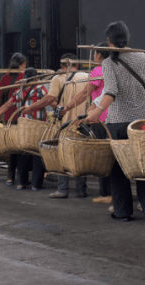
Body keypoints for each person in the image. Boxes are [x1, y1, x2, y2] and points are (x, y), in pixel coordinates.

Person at [77, 20, 145, 222]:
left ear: (109, 42)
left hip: (118, 120)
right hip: (142, 119)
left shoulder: (108, 63)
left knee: (117, 167)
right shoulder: (141, 56)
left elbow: (111, 91)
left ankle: (123, 211)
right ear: (127, 38)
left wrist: (97, 112)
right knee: (143, 164)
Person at [23, 53, 88, 198]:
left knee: (63, 155)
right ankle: (81, 189)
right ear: (76, 65)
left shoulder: (58, 78)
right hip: (83, 122)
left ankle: (63, 189)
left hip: (65, 123)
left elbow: (49, 98)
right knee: (80, 155)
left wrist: (31, 107)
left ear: (62, 66)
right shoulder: (86, 76)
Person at [60, 42, 113, 204]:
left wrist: (67, 107)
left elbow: (85, 94)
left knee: (103, 158)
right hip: (114, 117)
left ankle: (105, 194)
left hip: (100, 118)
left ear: (98, 55)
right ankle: (114, 193)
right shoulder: (114, 68)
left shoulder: (98, 70)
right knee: (113, 157)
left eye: (96, 54)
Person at [0, 67, 47, 190]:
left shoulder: (19, 91)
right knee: (37, 153)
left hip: (24, 127)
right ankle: (36, 184)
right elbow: (51, 101)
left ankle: (21, 182)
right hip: (37, 126)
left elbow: (6, 105)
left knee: (23, 152)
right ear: (36, 78)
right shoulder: (40, 89)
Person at [0, 53, 26, 186]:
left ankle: (10, 177)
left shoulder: (5, 77)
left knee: (11, 148)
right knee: (21, 148)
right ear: (22, 64)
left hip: (8, 117)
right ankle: (21, 179)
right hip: (21, 116)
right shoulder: (23, 77)